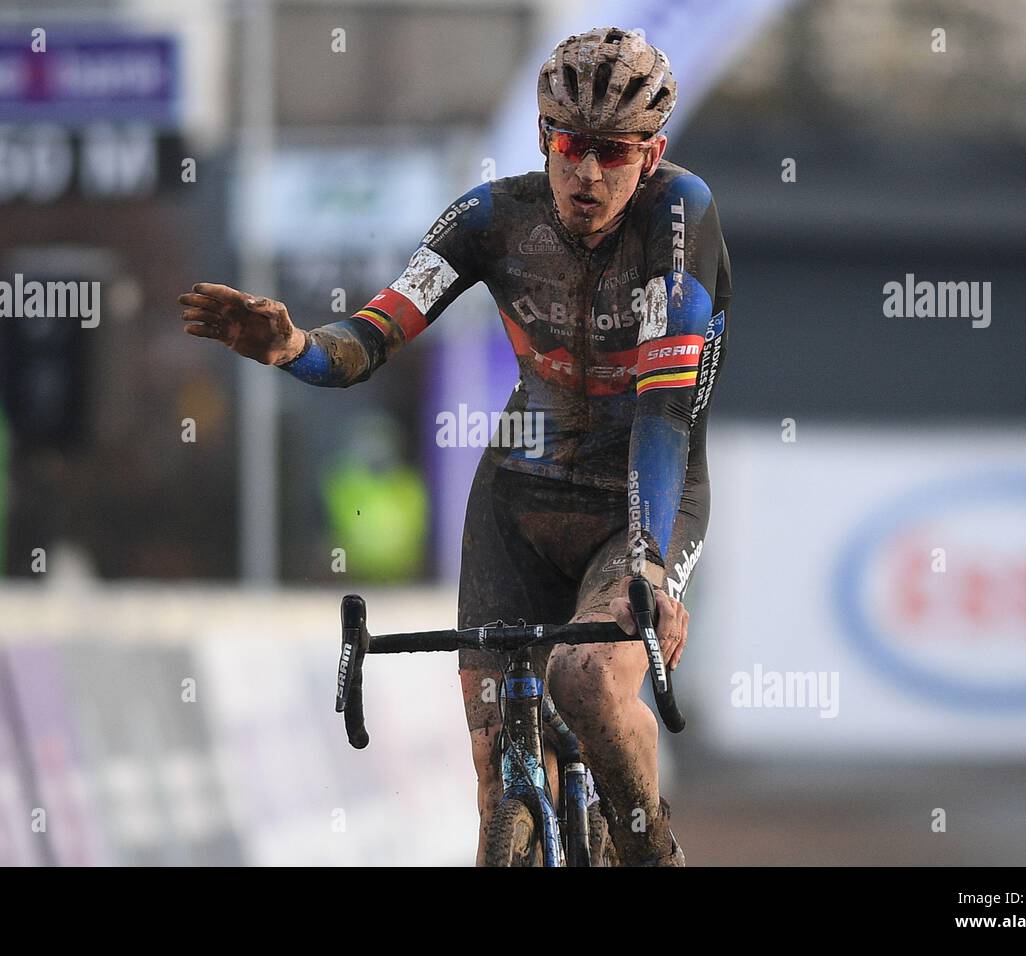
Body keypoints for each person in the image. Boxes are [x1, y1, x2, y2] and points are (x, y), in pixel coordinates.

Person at [179, 26, 731, 866]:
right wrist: (294, 347)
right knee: (491, 763)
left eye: (613, 154)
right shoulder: (487, 218)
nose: (586, 174)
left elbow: (663, 413)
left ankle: (649, 848)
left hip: (640, 498)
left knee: (587, 680)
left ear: (650, 157)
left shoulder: (679, 219)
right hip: (521, 497)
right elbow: (371, 336)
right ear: (544, 136)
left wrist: (650, 566)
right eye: (570, 144)